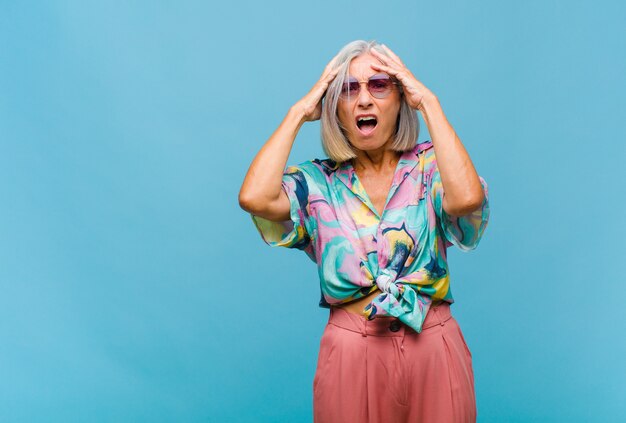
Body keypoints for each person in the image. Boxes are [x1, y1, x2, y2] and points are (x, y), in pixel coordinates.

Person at [238, 39, 490, 423]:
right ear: (335, 108)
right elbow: (255, 198)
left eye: (379, 85)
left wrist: (429, 103)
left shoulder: (429, 167)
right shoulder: (317, 182)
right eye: (349, 89)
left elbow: (468, 200)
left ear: (400, 98)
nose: (364, 100)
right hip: (352, 352)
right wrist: (299, 111)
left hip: (433, 346)